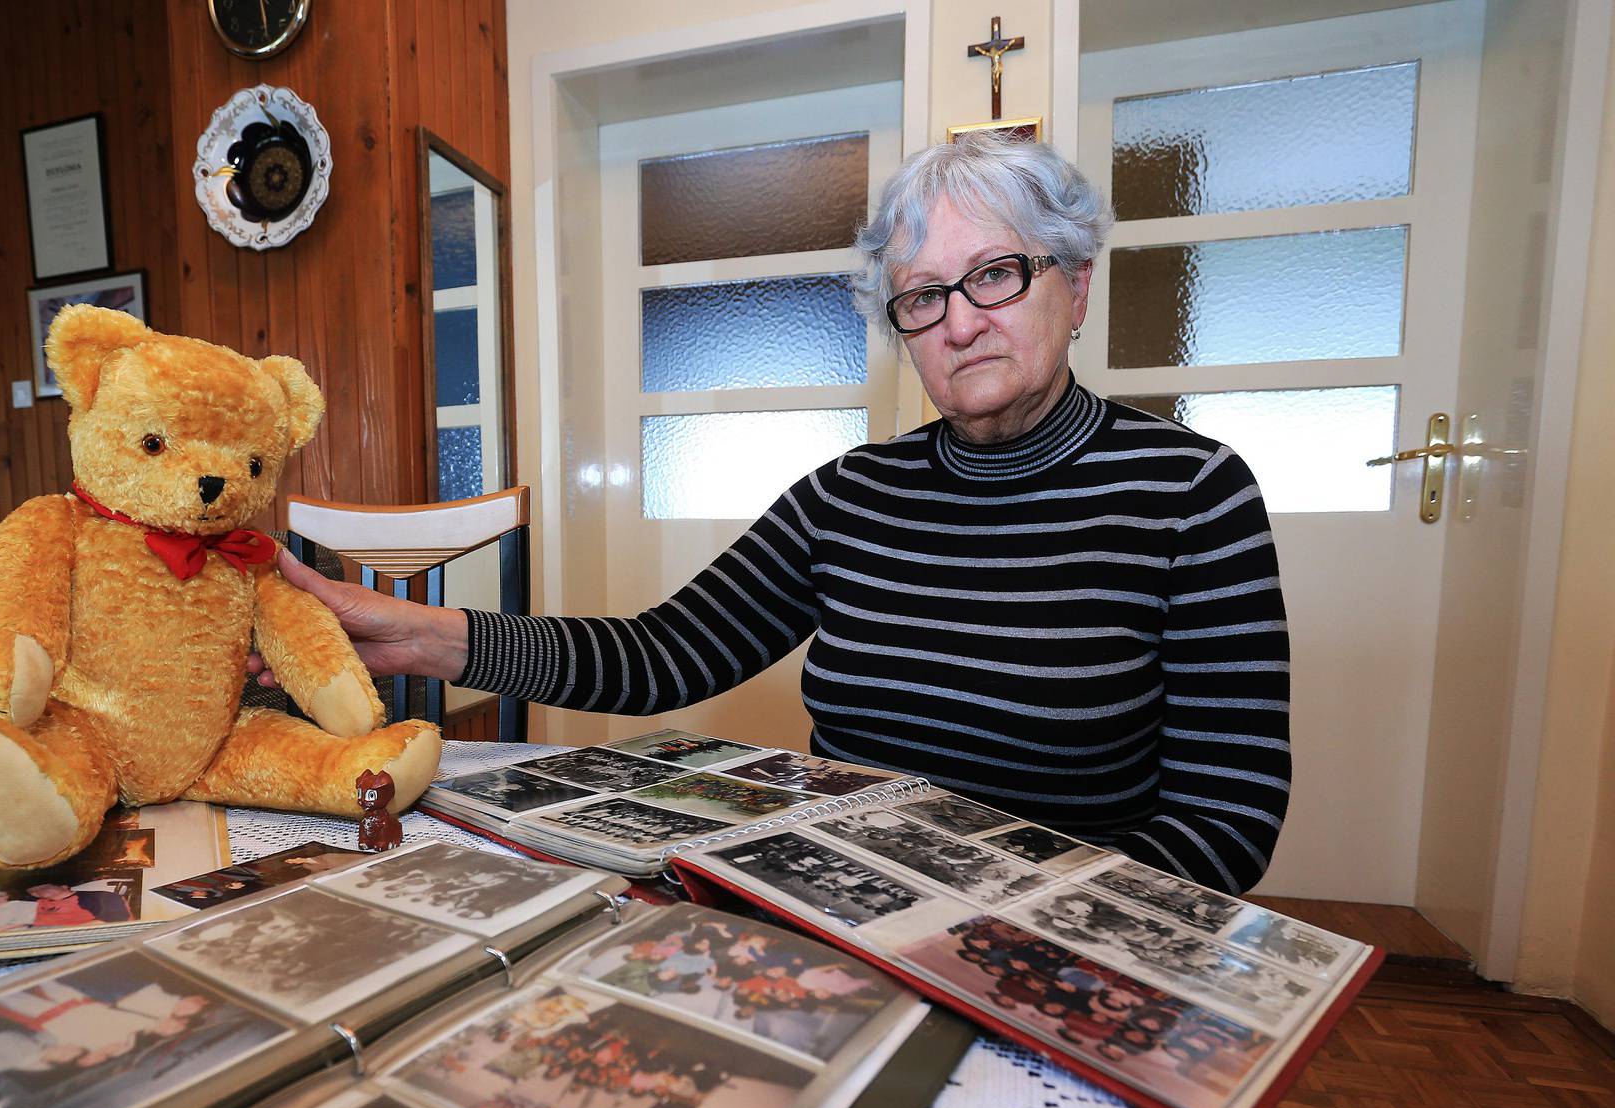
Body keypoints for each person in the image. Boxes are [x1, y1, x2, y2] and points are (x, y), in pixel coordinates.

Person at [254, 133, 1290, 895]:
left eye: (996, 275)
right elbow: (666, 654)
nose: (960, 321)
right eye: (922, 296)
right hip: (849, 904)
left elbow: (1229, 817)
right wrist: (425, 638)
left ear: (1074, 284)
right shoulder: (852, 495)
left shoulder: (1192, 492)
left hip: (1063, 933)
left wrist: (1012, 906)